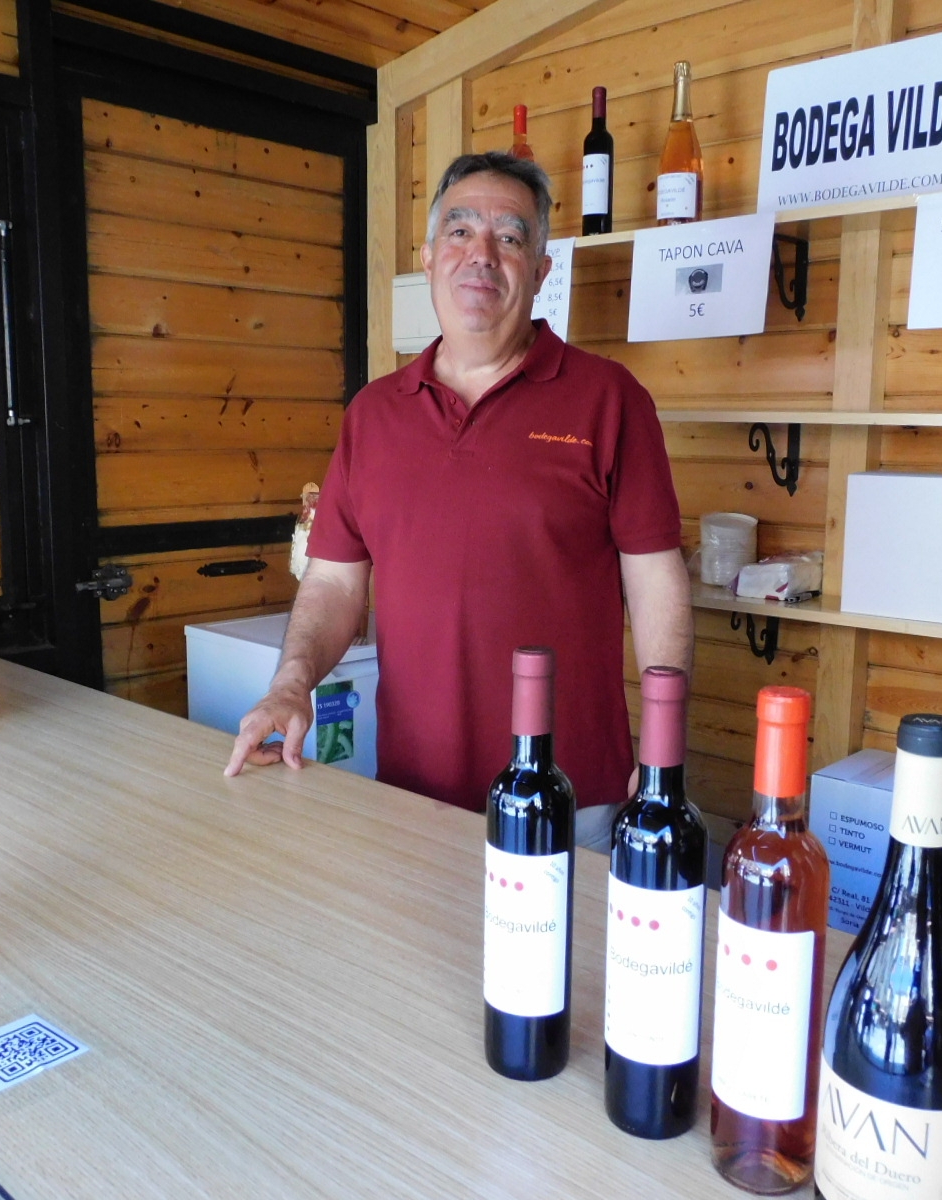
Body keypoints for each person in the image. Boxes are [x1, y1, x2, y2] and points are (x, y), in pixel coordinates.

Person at [225, 151, 692, 852]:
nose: (482, 255)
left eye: (510, 237)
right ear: (428, 258)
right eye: (461, 230)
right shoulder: (372, 414)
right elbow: (334, 582)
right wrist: (291, 683)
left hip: (571, 796)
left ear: (541, 270)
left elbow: (656, 580)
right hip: (413, 793)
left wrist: (663, 742)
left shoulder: (610, 399)